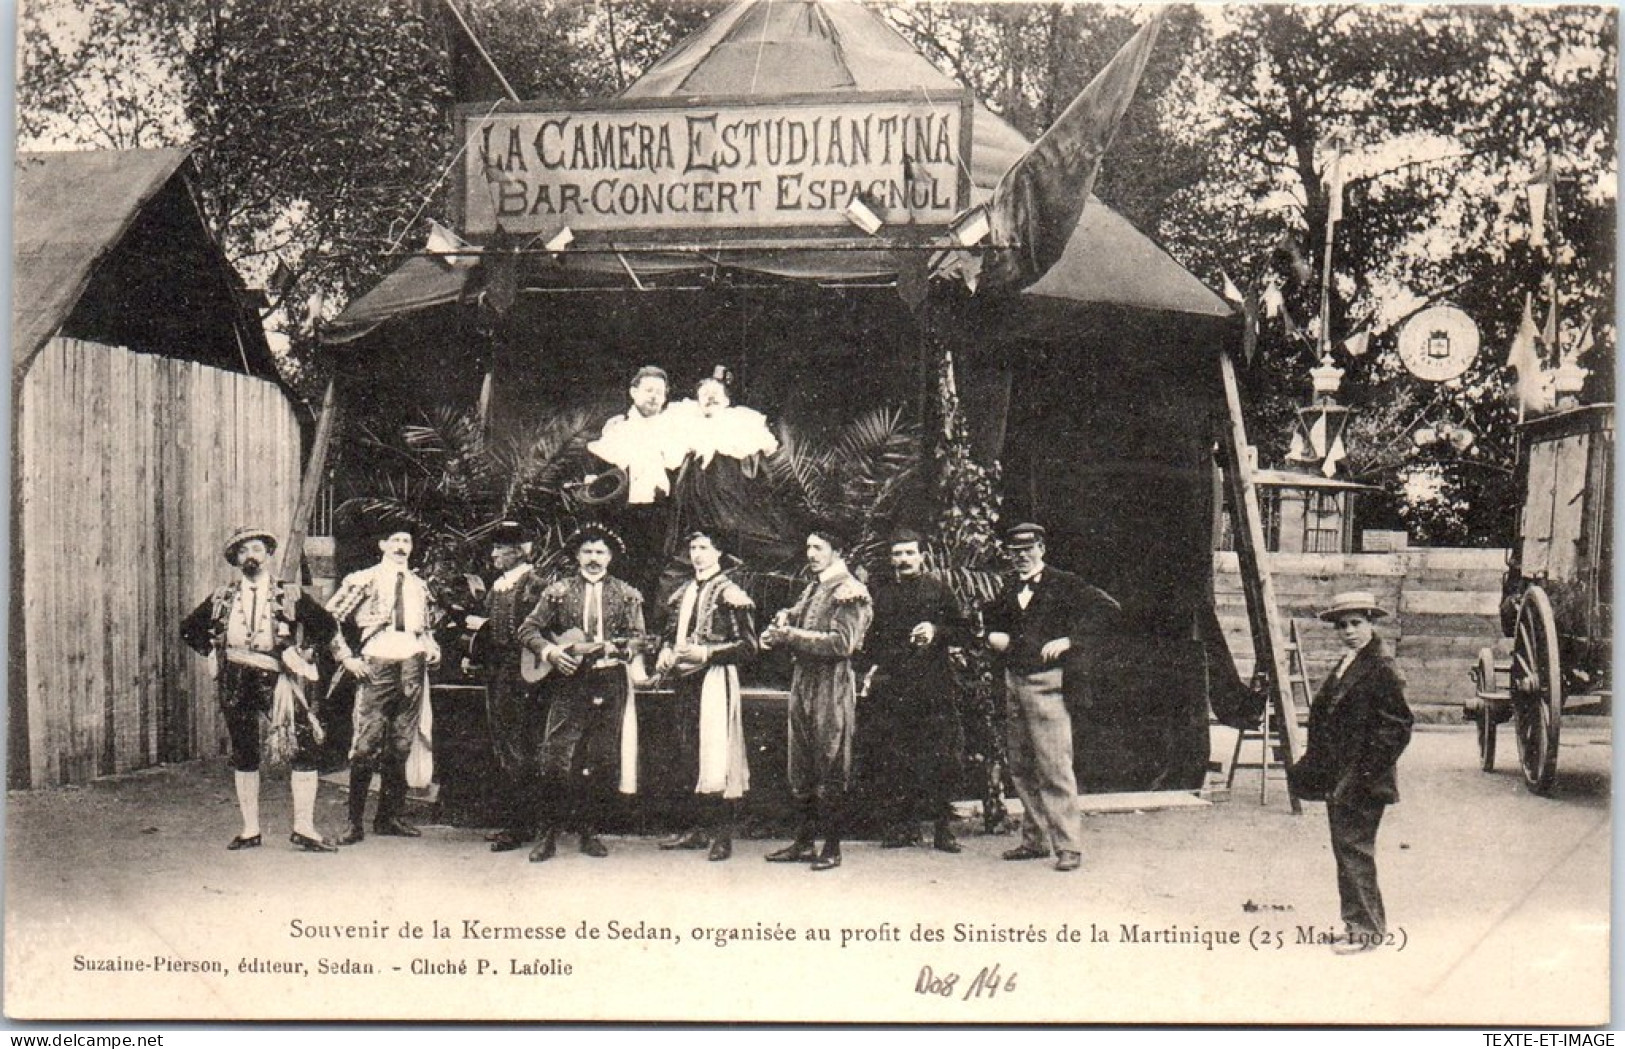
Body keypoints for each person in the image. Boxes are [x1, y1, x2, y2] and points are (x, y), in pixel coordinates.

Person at [181, 526, 341, 852]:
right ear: (236, 560)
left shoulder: (289, 594)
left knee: (303, 744)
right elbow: (189, 629)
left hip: (274, 678)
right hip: (235, 677)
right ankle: (250, 830)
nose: (250, 556)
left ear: (267, 554)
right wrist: (212, 651)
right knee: (244, 751)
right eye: (242, 552)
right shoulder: (222, 596)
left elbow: (326, 625)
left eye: (255, 549)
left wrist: (305, 652)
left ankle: (304, 827)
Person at [983, 523, 1120, 873]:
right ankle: (1035, 839)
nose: (1021, 557)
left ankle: (1069, 846)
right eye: (1014, 552)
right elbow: (994, 626)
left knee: (1054, 767)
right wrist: (992, 636)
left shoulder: (1064, 583)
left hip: (1048, 685)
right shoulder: (1008, 587)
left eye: (1028, 549)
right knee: (1021, 765)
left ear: (1041, 548)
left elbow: (1108, 608)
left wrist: (1071, 640)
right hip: (1014, 682)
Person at [1287, 591, 1414, 955]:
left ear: (1372, 623)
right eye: (1342, 625)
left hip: (1362, 780)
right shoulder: (1350, 662)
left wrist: (1361, 774)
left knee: (1355, 851)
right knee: (1346, 851)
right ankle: (1355, 925)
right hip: (1339, 777)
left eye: (1356, 623)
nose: (1349, 631)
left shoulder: (1382, 667)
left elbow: (1397, 729)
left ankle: (1367, 932)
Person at [517, 524, 649, 861]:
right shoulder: (557, 592)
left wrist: (625, 650)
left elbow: (638, 637)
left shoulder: (628, 594)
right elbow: (528, 629)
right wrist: (551, 652)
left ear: (610, 557)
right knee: (556, 757)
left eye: (600, 552)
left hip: (610, 681)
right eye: (587, 552)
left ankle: (588, 831)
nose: (594, 559)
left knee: (599, 758)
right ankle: (548, 833)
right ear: (577, 555)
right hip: (570, 680)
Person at [760, 528, 873, 872]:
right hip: (804, 679)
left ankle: (832, 847)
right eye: (808, 546)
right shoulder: (816, 586)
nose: (811, 553)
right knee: (802, 762)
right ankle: (805, 842)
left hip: (832, 682)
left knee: (831, 758)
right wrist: (782, 621)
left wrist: (789, 635)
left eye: (818, 547)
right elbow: (797, 615)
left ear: (837, 551)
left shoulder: (850, 591)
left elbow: (842, 644)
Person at [326, 524, 442, 845]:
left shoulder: (420, 586)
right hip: (377, 661)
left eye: (407, 541)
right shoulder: (363, 579)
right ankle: (354, 823)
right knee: (366, 743)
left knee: (403, 742)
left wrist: (432, 648)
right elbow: (327, 618)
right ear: (382, 544)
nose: (402, 546)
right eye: (395, 540)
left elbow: (426, 629)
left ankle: (389, 816)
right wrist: (346, 657)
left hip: (412, 664)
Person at [859, 528, 969, 853]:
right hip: (894, 687)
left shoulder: (939, 590)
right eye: (898, 554)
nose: (903, 559)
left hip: (934, 687)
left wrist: (936, 630)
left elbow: (963, 631)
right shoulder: (880, 594)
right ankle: (902, 827)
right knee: (896, 756)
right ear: (891, 559)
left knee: (940, 757)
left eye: (909, 553)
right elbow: (871, 641)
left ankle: (942, 829)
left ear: (922, 556)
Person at [653, 530, 759, 861]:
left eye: (704, 548)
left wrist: (707, 654)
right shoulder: (684, 591)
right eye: (693, 548)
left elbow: (749, 646)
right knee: (688, 752)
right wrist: (665, 650)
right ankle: (697, 830)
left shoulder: (730, 593)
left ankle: (722, 836)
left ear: (719, 552)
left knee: (718, 753)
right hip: (684, 680)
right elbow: (670, 634)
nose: (697, 554)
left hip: (714, 678)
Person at [463, 521, 547, 852]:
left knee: (521, 745)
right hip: (499, 673)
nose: (494, 554)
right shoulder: (499, 584)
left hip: (524, 674)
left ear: (520, 551)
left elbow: (542, 628)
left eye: (501, 548)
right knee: (505, 744)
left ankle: (522, 825)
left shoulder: (534, 582)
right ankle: (517, 822)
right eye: (494, 548)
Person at [663, 367, 793, 578]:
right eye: (705, 394)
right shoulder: (688, 427)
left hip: (734, 506)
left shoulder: (741, 425)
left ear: (726, 400)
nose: (711, 398)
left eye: (716, 394)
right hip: (699, 510)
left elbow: (767, 463)